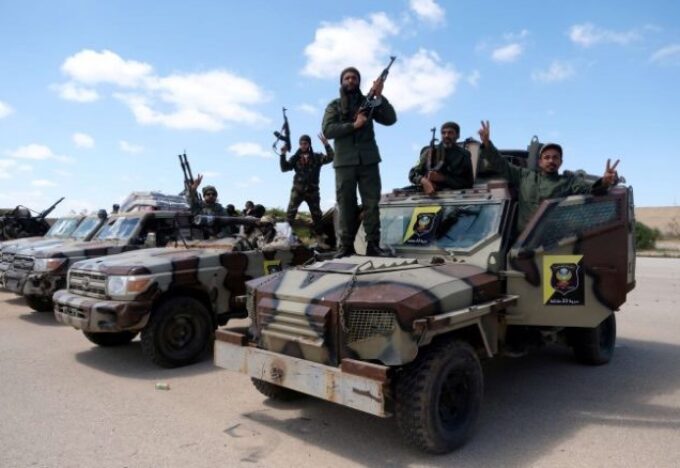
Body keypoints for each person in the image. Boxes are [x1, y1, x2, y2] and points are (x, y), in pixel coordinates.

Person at [477, 120, 620, 234]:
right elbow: (501, 164)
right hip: (523, 242)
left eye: (555, 157)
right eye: (547, 157)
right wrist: (487, 144)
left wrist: (604, 182)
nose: (551, 161)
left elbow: (591, 190)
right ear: (540, 162)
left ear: (561, 162)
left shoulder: (568, 182)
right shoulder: (524, 176)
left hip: (551, 241)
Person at [322, 66, 397, 257]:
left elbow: (390, 119)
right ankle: (345, 246)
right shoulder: (334, 105)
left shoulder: (370, 102)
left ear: (359, 82)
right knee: (345, 204)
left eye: (354, 78)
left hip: (368, 161)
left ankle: (373, 245)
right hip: (344, 162)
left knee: (371, 204)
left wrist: (380, 96)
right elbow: (328, 130)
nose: (350, 80)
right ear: (341, 82)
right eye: (347, 78)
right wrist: (354, 125)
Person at [280, 133, 334, 249]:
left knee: (317, 216)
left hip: (312, 191)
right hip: (297, 191)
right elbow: (284, 168)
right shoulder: (295, 158)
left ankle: (320, 241)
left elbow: (331, 157)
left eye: (305, 143)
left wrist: (326, 144)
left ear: (309, 144)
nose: (303, 145)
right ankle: (282, 239)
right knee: (290, 215)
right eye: (301, 144)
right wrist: (283, 154)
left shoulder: (317, 157)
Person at [409, 122, 474, 194]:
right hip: (429, 194)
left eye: (450, 133)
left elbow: (468, 183)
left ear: (458, 135)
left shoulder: (464, 155)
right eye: (443, 133)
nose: (446, 135)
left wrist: (443, 178)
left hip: (455, 194)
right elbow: (413, 173)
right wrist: (424, 181)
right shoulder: (429, 152)